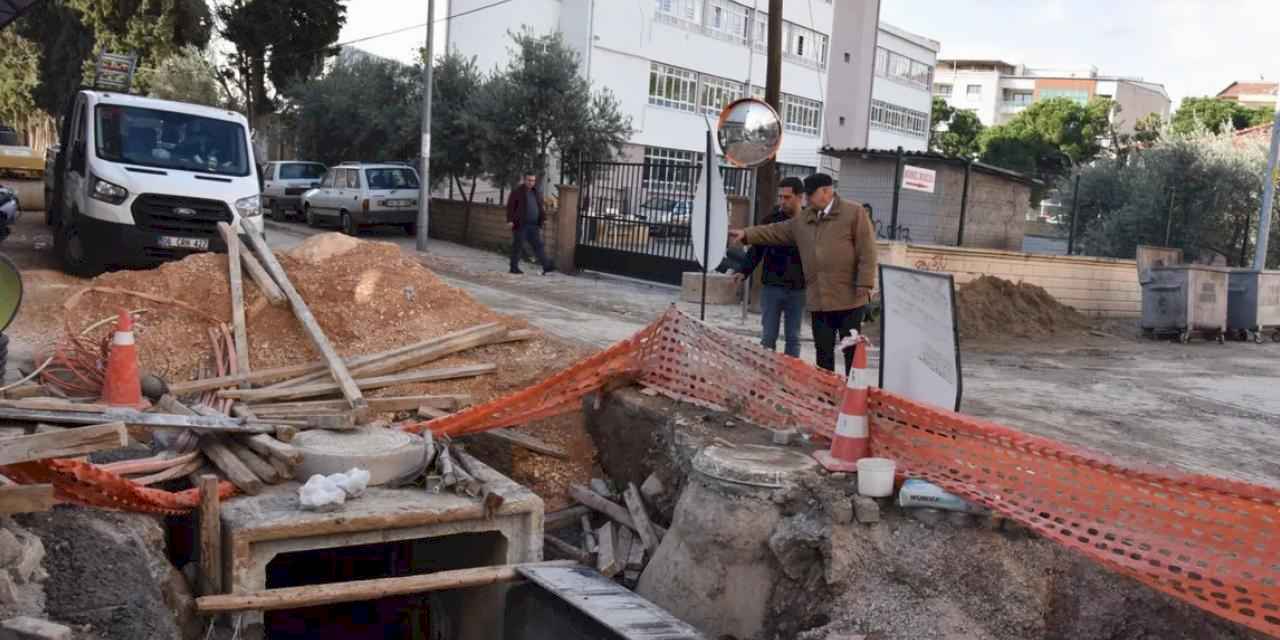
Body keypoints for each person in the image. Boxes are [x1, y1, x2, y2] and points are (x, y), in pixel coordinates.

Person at [729, 173, 877, 375]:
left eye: (810, 194)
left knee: (851, 350)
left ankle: (852, 395)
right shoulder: (804, 220)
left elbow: (867, 250)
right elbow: (775, 231)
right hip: (819, 299)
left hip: (849, 297)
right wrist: (747, 234)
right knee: (823, 352)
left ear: (827, 191)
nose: (806, 199)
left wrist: (865, 283)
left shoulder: (854, 213)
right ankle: (825, 397)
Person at [734, 177, 806, 357]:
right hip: (772, 286)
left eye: (787, 197)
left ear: (800, 197)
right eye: (780, 197)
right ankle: (766, 375)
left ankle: (791, 377)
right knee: (768, 337)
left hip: (799, 289)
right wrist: (744, 270)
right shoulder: (772, 219)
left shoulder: (809, 222)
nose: (782, 201)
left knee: (793, 338)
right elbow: (756, 248)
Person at [505, 172, 556, 275]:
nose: (531, 182)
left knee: (539, 245)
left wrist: (543, 218)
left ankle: (546, 266)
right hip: (520, 224)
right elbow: (510, 207)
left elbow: (540, 207)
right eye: (529, 180)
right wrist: (510, 220)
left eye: (533, 180)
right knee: (518, 246)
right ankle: (513, 268)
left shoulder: (536, 192)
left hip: (534, 225)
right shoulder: (517, 192)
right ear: (524, 180)